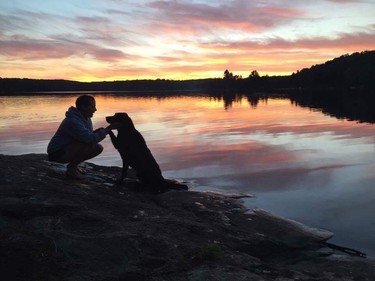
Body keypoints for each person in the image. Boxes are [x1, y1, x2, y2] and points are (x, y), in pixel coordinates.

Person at [47, 95, 118, 179]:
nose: (95, 109)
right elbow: (90, 139)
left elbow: (86, 136)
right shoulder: (73, 121)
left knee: (94, 145)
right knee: (96, 147)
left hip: (67, 148)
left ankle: (74, 166)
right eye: (93, 106)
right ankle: (71, 169)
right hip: (56, 153)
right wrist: (108, 129)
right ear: (84, 107)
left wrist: (97, 132)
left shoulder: (85, 118)